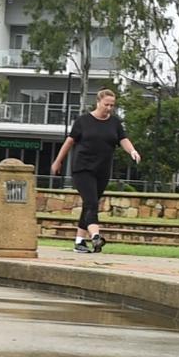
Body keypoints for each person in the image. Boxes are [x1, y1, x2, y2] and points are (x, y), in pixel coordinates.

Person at [50, 88, 141, 253]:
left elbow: (123, 139)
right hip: (83, 168)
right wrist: (58, 161)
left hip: (102, 170)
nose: (109, 108)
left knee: (89, 205)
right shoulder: (83, 121)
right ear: (98, 102)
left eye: (112, 105)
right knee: (91, 202)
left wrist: (132, 151)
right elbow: (69, 142)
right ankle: (95, 237)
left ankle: (79, 242)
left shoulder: (115, 123)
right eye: (106, 104)